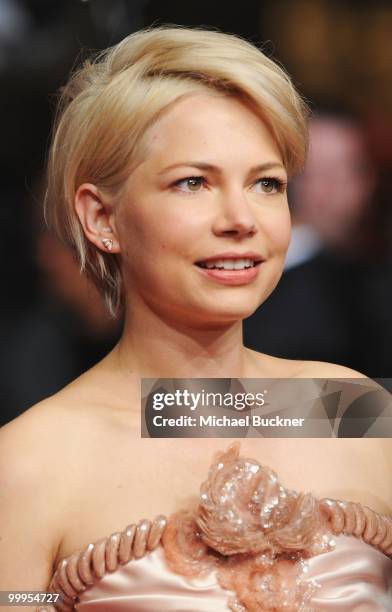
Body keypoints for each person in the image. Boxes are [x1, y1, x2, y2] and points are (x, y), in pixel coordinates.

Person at [0, 26, 391, 611]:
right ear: (101, 218)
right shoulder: (31, 461)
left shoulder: (348, 408)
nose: (240, 218)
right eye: (193, 182)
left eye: (267, 183)